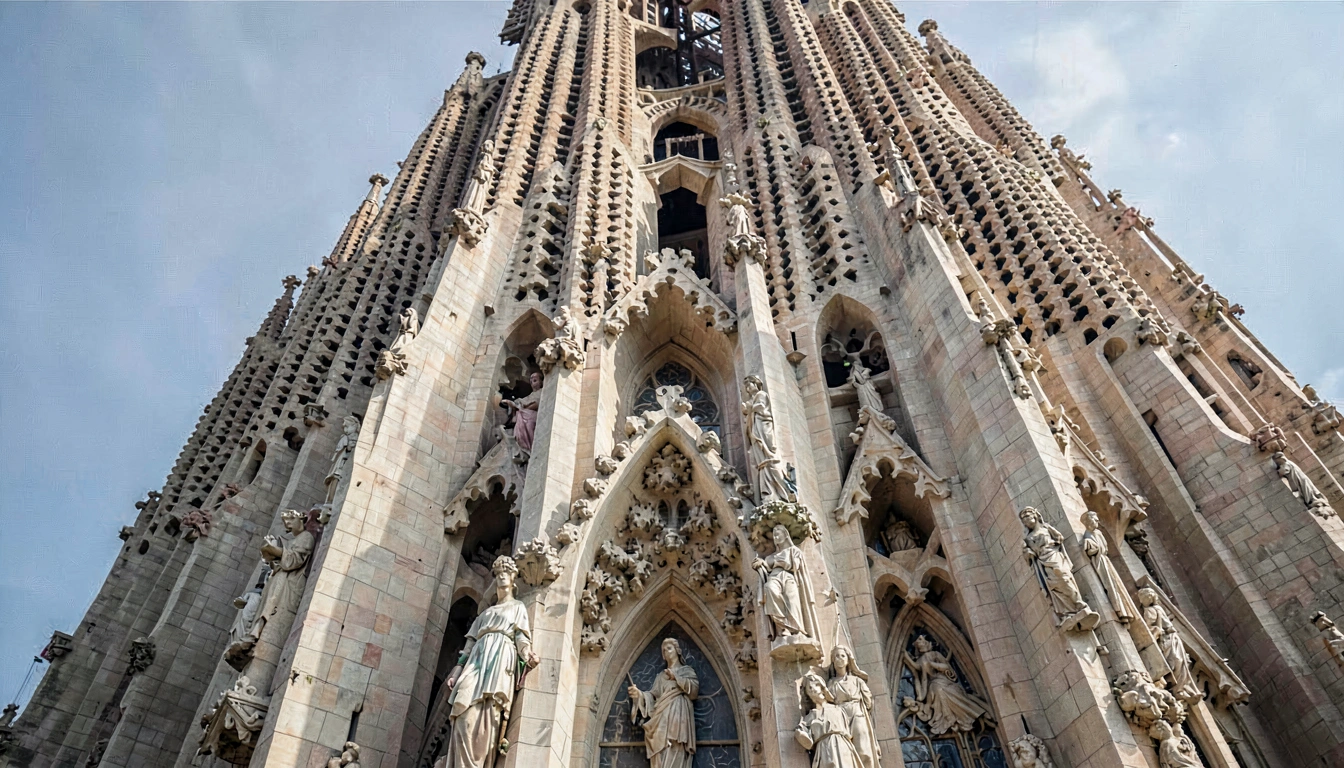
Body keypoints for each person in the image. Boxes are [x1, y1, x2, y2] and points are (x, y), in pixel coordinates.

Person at [438, 557, 538, 768]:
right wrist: (456, 673)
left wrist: (527, 653)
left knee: (488, 717)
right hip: (477, 661)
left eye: (506, 573)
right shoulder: (485, 615)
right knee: (462, 709)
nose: (502, 577)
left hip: (501, 660)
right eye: (498, 573)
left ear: (513, 579)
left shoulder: (518, 607)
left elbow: (521, 637)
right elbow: (468, 647)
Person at [626, 638, 698, 768]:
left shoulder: (686, 671)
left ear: (677, 651)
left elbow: (693, 692)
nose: (666, 652)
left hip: (678, 714)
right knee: (661, 751)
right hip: (661, 718)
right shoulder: (660, 677)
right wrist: (640, 695)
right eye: (664, 650)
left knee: (676, 746)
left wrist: (676, 677)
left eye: (669, 648)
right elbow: (653, 696)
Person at [902, 634, 989, 735]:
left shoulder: (935, 654)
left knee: (951, 692)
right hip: (933, 684)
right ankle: (948, 718)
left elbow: (946, 666)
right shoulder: (920, 660)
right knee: (938, 690)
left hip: (944, 681)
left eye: (923, 642)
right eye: (919, 644)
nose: (921, 645)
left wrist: (933, 664)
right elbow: (917, 670)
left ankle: (968, 714)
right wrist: (907, 657)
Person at [753, 525, 819, 642]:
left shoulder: (794, 551)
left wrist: (774, 561)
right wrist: (760, 564)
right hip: (774, 576)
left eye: (778, 534)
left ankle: (795, 630)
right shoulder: (771, 556)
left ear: (785, 535)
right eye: (774, 535)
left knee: (791, 600)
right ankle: (782, 628)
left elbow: (792, 565)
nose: (776, 537)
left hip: (788, 577)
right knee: (769, 589)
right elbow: (766, 567)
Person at [795, 672, 863, 768]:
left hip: (843, 746)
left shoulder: (837, 709)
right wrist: (802, 735)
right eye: (808, 690)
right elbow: (802, 734)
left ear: (821, 688)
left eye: (812, 687)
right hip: (824, 749)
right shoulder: (811, 715)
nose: (811, 691)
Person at [826, 647, 879, 768]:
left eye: (842, 656)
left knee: (863, 749)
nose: (839, 659)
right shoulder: (831, 683)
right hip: (840, 717)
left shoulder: (856, 680)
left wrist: (858, 709)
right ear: (833, 661)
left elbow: (868, 701)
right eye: (836, 656)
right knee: (844, 751)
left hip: (857, 714)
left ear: (848, 660)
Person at [502, 371, 544, 454]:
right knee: (521, 425)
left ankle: (531, 448)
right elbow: (521, 403)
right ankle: (525, 447)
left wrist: (523, 409)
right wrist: (514, 405)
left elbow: (538, 404)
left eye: (535, 380)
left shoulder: (542, 392)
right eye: (531, 381)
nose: (532, 382)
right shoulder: (531, 395)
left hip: (533, 415)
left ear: (541, 382)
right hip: (526, 415)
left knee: (529, 425)